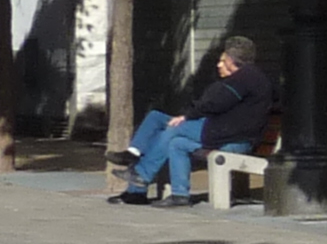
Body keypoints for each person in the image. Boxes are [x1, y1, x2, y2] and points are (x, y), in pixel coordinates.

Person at [110, 36, 272, 206]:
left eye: (223, 61)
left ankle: (142, 176)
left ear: (232, 60)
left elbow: (214, 105)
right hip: (222, 131)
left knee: (174, 130)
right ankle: (176, 193)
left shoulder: (244, 78)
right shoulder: (246, 79)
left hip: (231, 139)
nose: (219, 65)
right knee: (170, 135)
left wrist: (187, 117)